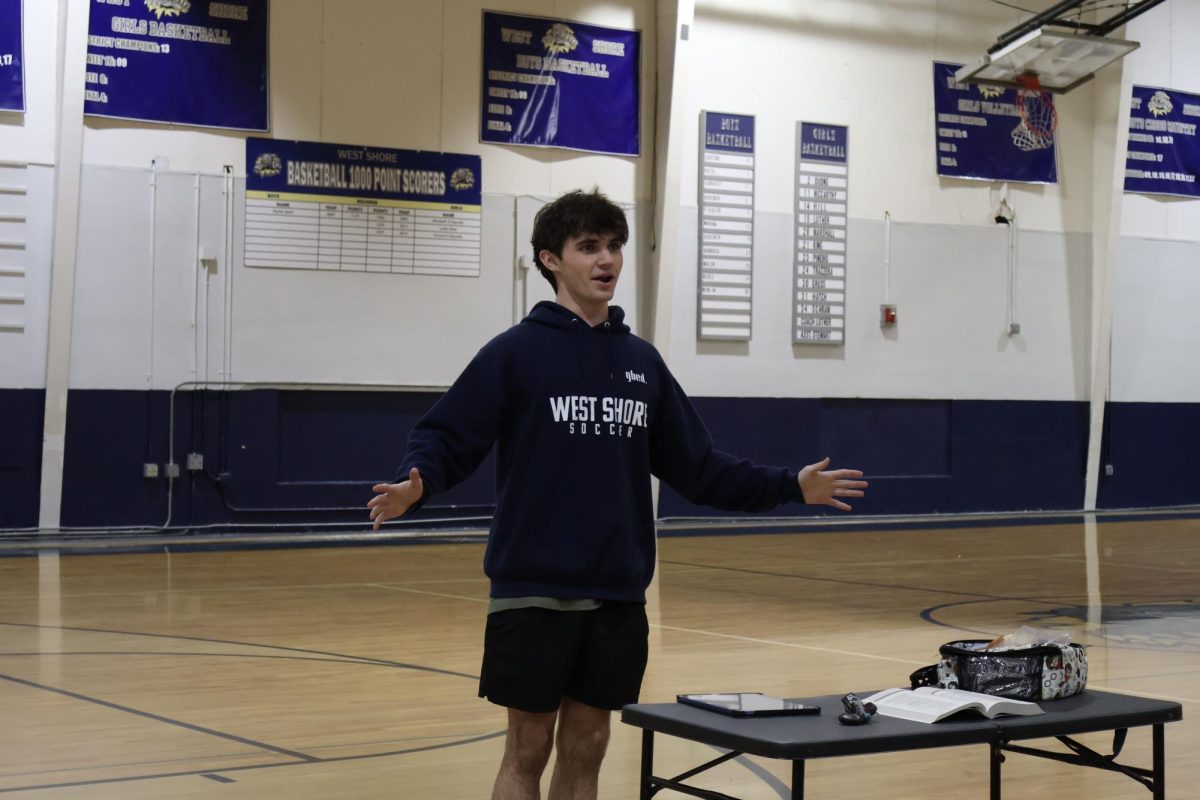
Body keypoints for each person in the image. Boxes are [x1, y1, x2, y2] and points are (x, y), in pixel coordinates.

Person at [368, 188, 867, 800]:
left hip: (617, 588)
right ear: (551, 259)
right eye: (588, 248)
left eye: (613, 247)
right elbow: (446, 434)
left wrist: (790, 485)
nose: (606, 261)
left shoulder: (642, 364)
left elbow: (701, 468)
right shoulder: (514, 353)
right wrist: (417, 484)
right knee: (528, 746)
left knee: (591, 743)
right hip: (534, 584)